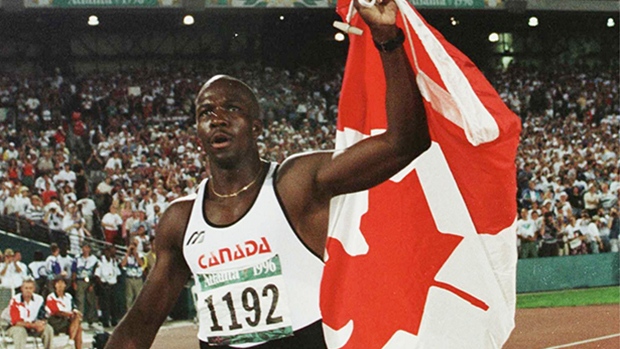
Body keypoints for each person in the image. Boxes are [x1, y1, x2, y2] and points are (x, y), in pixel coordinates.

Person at [106, 1, 430, 348]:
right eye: (206, 112)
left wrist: (387, 37)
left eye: (232, 108)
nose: (217, 118)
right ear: (197, 131)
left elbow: (404, 142)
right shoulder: (180, 220)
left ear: (256, 126)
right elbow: (136, 330)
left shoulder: (295, 185)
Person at [7, 279, 54, 349]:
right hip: (18, 326)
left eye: (30, 288)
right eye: (26, 288)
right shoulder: (15, 300)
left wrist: (41, 323)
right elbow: (16, 322)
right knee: (19, 331)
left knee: (48, 329)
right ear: (22, 289)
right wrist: (33, 325)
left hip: (34, 325)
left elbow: (44, 315)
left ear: (34, 289)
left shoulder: (39, 299)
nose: (28, 290)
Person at [45, 276, 84, 349]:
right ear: (55, 285)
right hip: (56, 321)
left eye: (62, 283)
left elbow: (74, 308)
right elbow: (56, 312)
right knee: (77, 324)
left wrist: (77, 313)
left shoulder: (68, 296)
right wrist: (70, 314)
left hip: (69, 321)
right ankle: (71, 342)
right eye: (58, 283)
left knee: (78, 327)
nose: (60, 285)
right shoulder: (51, 297)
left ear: (65, 285)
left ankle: (71, 342)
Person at [71, 243, 99, 329]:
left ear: (90, 249)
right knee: (80, 301)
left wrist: (93, 284)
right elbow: (74, 271)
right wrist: (74, 282)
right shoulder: (77, 258)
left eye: (87, 247)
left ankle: (93, 320)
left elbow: (96, 272)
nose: (85, 249)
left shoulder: (94, 259)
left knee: (91, 300)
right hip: (80, 280)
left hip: (90, 280)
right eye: (83, 247)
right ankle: (81, 320)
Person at [94, 245, 121, 328]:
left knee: (114, 304)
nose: (110, 253)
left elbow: (118, 273)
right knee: (105, 305)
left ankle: (114, 320)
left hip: (113, 284)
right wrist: (102, 286)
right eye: (108, 251)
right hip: (105, 285)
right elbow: (97, 275)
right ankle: (105, 321)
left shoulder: (114, 261)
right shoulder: (101, 261)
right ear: (105, 252)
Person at [121, 240, 144, 311]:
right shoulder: (126, 256)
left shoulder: (140, 255)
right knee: (129, 298)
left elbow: (142, 264)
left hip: (138, 279)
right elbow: (122, 264)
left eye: (134, 245)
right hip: (129, 278)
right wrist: (128, 253)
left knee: (139, 298)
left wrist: (136, 255)